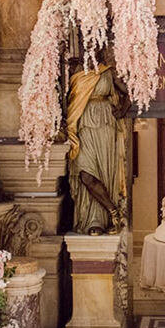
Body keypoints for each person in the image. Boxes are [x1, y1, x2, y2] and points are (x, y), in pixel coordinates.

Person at [66, 63, 128, 234]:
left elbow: (130, 91)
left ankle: (104, 221)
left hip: (106, 124)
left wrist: (122, 110)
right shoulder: (74, 69)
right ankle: (112, 211)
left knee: (105, 171)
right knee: (86, 174)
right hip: (83, 122)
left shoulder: (107, 71)